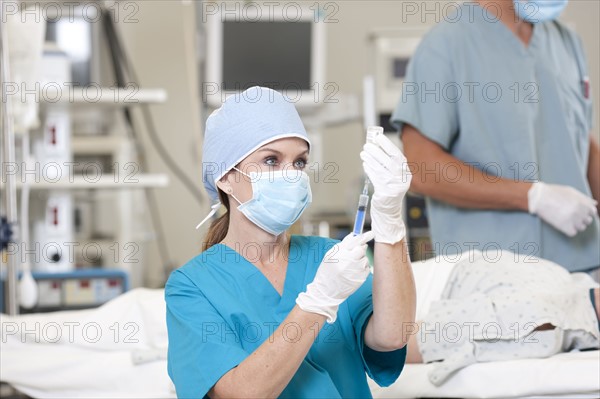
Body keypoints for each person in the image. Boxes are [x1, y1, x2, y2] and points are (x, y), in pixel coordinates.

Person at [165, 86, 416, 398]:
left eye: (299, 162)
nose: (292, 175)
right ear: (225, 177)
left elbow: (393, 336)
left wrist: (390, 222)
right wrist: (317, 302)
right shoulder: (192, 286)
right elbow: (240, 394)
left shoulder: (329, 257)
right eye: (271, 160)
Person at [391, 0, 600, 274]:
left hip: (581, 268)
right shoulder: (446, 45)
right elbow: (420, 167)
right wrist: (533, 197)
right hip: (490, 277)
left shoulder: (566, 41)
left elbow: (580, 142)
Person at [405, 250, 600, 385]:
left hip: (415, 292)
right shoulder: (564, 294)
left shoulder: (545, 316)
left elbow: (401, 342)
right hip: (415, 285)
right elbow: (400, 342)